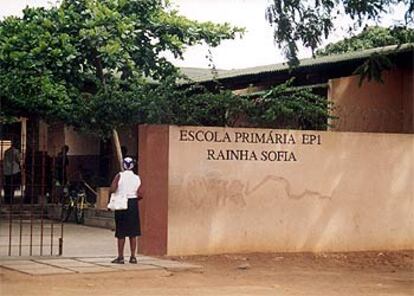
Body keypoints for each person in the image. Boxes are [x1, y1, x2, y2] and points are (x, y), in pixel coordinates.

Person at [109, 157, 143, 264]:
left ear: (123, 165)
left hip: (121, 203)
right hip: (133, 204)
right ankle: (133, 257)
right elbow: (141, 194)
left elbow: (113, 189)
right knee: (133, 232)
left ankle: (120, 257)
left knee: (121, 232)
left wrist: (110, 198)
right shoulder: (137, 178)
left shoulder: (119, 176)